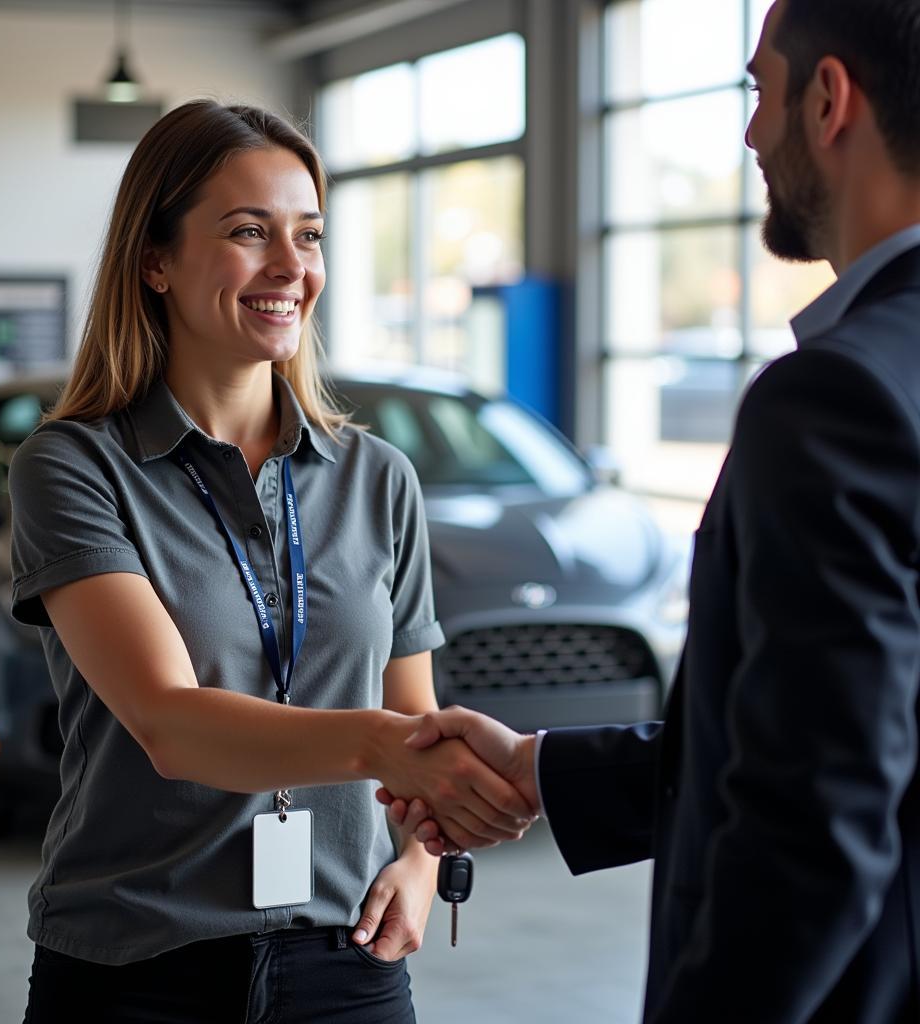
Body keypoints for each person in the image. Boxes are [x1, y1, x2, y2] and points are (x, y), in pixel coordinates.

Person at [382, 1, 920, 1020]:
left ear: (827, 99)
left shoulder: (837, 397)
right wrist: (544, 768)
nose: (752, 133)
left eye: (759, 92)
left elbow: (815, 812)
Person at [8, 99, 532, 1024]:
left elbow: (412, 711)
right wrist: (377, 747)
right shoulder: (74, 467)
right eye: (251, 233)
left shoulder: (377, 479)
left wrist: (417, 861)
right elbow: (171, 724)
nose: (294, 268)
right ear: (155, 260)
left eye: (311, 235)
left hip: (348, 958)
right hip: (138, 964)